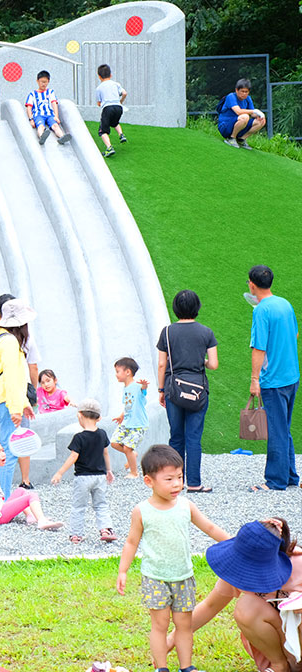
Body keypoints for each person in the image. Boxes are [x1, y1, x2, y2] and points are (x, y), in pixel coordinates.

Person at [116, 445, 228, 672]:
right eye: (169, 479)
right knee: (159, 625)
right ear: (149, 481)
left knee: (184, 625)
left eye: (179, 477)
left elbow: (210, 527)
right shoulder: (141, 511)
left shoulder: (186, 505)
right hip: (155, 578)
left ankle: (187, 667)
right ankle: (162, 668)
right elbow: (131, 542)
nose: (177, 484)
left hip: (183, 576)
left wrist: (235, 543)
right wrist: (123, 570)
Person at [184, 518, 302, 672]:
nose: (246, 572)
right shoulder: (238, 570)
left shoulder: (298, 563)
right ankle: (279, 666)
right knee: (246, 607)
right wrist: (171, 640)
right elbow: (209, 605)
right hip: (282, 642)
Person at [156, 288, 218, 493]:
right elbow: (213, 364)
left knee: (176, 436)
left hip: (173, 389)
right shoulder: (206, 332)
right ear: (197, 307)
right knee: (193, 438)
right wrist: (202, 360)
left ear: (175, 308)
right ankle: (194, 483)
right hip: (198, 390)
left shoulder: (167, 332)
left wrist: (161, 389)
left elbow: (162, 364)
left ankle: (176, 482)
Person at [247, 264, 299, 491]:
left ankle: (276, 481)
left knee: (276, 430)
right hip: (291, 376)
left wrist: (255, 379)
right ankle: (290, 476)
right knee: (283, 427)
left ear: (252, 284)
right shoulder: (285, 304)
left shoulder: (261, 311)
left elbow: (259, 347)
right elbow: (295, 334)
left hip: (273, 380)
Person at [0, 298, 37, 498]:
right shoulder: (11, 343)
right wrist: (16, 408)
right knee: (8, 453)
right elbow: (13, 378)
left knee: (1, 451)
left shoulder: (0, 338)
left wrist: (23, 403)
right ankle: (2, 500)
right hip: (5, 403)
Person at [51, 398, 117, 544]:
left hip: (82, 478)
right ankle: (105, 529)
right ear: (99, 418)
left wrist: (60, 473)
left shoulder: (79, 437)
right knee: (101, 504)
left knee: (78, 507)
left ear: (79, 415)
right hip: (100, 477)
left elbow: (73, 457)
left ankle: (76, 535)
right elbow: (106, 453)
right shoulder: (102, 434)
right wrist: (109, 470)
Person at [0, 442, 62, 530]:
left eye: (3, 451)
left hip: (0, 508)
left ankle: (31, 516)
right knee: (31, 495)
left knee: (21, 490)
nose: (3, 454)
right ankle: (42, 520)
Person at [112, 357, 149, 479]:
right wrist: (121, 416)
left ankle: (134, 472)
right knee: (114, 442)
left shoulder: (137, 387)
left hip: (138, 424)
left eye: (118, 371)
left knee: (127, 447)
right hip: (127, 422)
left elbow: (143, 390)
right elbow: (128, 406)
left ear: (127, 372)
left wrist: (144, 386)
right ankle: (132, 454)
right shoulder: (126, 389)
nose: (116, 374)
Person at [217, 77, 267, 149]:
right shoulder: (231, 96)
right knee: (245, 116)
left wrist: (260, 115)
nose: (244, 94)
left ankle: (241, 140)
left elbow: (252, 114)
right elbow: (238, 112)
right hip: (225, 127)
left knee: (261, 121)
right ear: (237, 90)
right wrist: (254, 111)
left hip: (239, 125)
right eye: (242, 91)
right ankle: (231, 138)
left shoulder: (248, 98)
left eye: (246, 92)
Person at [25, 70, 71, 146]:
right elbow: (29, 107)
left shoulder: (50, 92)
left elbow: (54, 103)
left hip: (49, 114)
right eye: (42, 82)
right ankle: (41, 137)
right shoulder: (32, 94)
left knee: (55, 126)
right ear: (37, 81)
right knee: (41, 126)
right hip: (38, 114)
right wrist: (31, 119)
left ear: (48, 82)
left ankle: (62, 137)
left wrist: (56, 116)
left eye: (45, 82)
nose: (43, 84)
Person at [95, 63, 128, 157]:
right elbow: (124, 93)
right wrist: (120, 101)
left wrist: (101, 104)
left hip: (107, 108)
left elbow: (99, 103)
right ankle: (121, 134)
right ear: (111, 75)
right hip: (118, 107)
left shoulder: (99, 88)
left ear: (99, 76)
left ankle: (109, 148)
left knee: (102, 131)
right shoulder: (116, 84)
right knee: (114, 122)